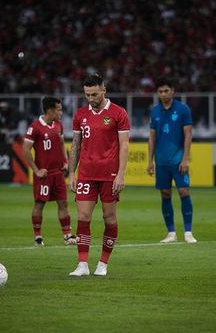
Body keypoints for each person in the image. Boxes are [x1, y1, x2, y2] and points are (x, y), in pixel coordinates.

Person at [67, 73, 130, 277]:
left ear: (104, 90)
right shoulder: (80, 115)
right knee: (83, 217)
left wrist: (120, 174)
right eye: (87, 95)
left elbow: (124, 146)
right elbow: (75, 146)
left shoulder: (119, 113)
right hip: (86, 173)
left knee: (109, 218)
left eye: (94, 94)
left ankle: (103, 263)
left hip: (109, 174)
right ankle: (82, 265)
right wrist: (71, 173)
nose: (91, 99)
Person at [146, 76, 197, 244]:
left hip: (178, 160)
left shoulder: (183, 109)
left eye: (166, 90)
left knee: (183, 191)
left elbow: (188, 135)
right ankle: (171, 233)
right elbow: (152, 137)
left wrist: (185, 159)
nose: (163, 94)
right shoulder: (155, 111)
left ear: (172, 91)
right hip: (161, 161)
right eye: (160, 91)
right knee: (165, 194)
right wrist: (150, 161)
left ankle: (188, 232)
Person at [23, 96, 77, 246]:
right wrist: (36, 170)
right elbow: (25, 150)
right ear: (50, 111)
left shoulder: (58, 125)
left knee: (63, 203)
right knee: (40, 204)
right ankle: (38, 237)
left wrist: (65, 162)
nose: (61, 113)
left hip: (58, 173)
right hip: (44, 175)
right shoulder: (35, 127)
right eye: (59, 110)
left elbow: (61, 144)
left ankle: (67, 236)